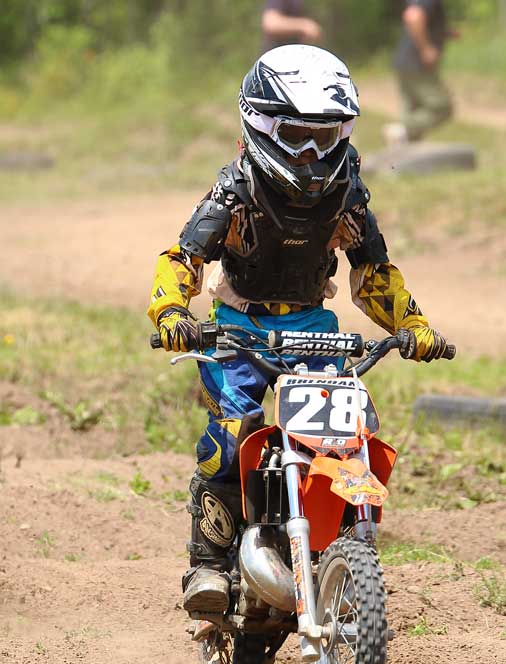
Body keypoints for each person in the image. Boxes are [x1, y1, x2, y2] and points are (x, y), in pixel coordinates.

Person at [147, 44, 451, 616]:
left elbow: (373, 274)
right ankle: (208, 566)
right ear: (260, 126)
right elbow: (182, 257)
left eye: (326, 137)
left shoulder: (347, 196)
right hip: (239, 327)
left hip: (314, 327)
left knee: (352, 428)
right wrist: (169, 312)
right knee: (232, 435)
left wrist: (412, 325)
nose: (312, 153)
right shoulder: (236, 192)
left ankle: (341, 541)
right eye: (295, 136)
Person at [389, 0, 454, 142]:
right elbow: (413, 17)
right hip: (417, 63)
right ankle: (402, 130)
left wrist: (442, 32)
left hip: (405, 61)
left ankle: (404, 151)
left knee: (413, 108)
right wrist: (426, 49)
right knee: (441, 108)